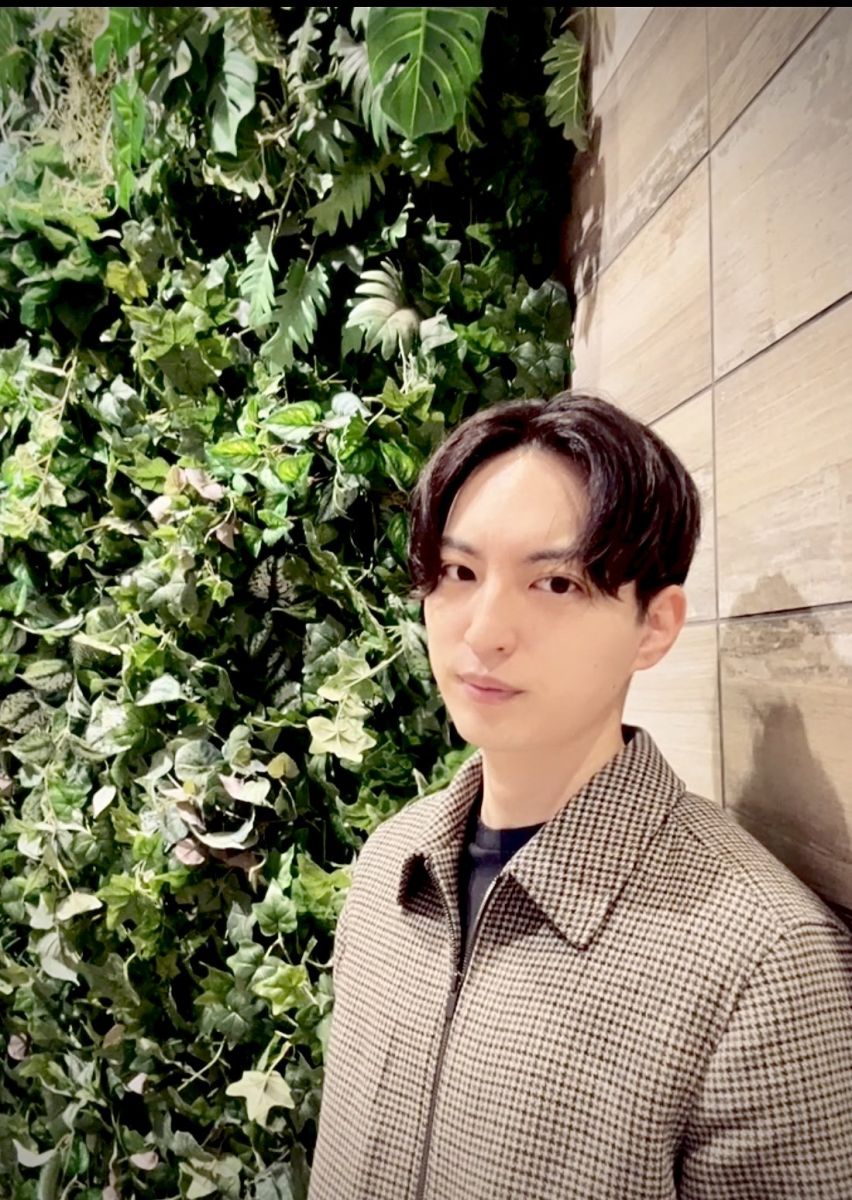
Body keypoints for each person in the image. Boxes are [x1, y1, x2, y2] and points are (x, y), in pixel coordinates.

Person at [307, 391, 852, 1200]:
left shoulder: (761, 962)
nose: (483, 630)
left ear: (654, 626)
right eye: (459, 572)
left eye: (556, 583)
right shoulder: (392, 865)